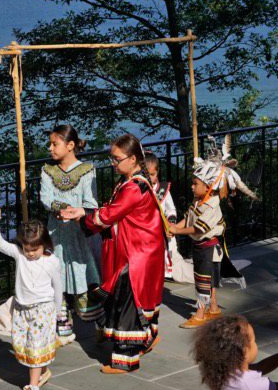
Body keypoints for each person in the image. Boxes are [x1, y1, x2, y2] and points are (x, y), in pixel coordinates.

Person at [61, 133, 164, 374]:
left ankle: (125, 360)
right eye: (112, 158)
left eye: (117, 159)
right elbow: (111, 211)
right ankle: (148, 338)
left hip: (135, 255)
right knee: (135, 301)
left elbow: (107, 216)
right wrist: (83, 211)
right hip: (140, 250)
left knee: (128, 303)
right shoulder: (131, 182)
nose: (113, 163)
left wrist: (82, 218)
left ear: (134, 159)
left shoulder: (133, 188)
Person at [0, 216, 63, 390]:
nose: (29, 253)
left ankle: (33, 386)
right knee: (25, 344)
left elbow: (58, 286)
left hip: (43, 309)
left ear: (44, 244)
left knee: (35, 345)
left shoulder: (51, 261)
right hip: (21, 309)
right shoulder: (19, 254)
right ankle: (43, 371)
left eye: (34, 249)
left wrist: (58, 309)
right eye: (27, 249)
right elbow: (1, 244)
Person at [40, 124, 99, 344]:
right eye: (50, 144)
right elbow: (45, 198)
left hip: (78, 232)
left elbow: (90, 202)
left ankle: (97, 322)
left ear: (70, 145)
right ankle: (62, 326)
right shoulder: (48, 170)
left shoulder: (87, 170)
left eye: (55, 144)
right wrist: (60, 207)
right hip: (56, 233)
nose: (50, 149)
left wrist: (76, 212)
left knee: (84, 273)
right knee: (56, 276)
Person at [168, 159, 227, 328]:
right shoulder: (198, 200)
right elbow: (188, 218)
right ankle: (213, 308)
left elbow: (198, 229)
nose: (192, 187)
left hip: (208, 248)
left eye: (195, 184)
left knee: (203, 281)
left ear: (208, 186)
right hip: (202, 248)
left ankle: (200, 313)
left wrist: (177, 231)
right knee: (207, 280)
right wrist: (174, 227)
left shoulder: (211, 205)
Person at [144, 151, 179, 281]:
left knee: (163, 254)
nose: (150, 178)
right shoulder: (138, 189)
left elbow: (171, 209)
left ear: (157, 172)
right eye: (147, 175)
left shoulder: (163, 189)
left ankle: (163, 274)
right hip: (145, 232)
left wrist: (170, 222)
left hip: (161, 230)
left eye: (153, 174)